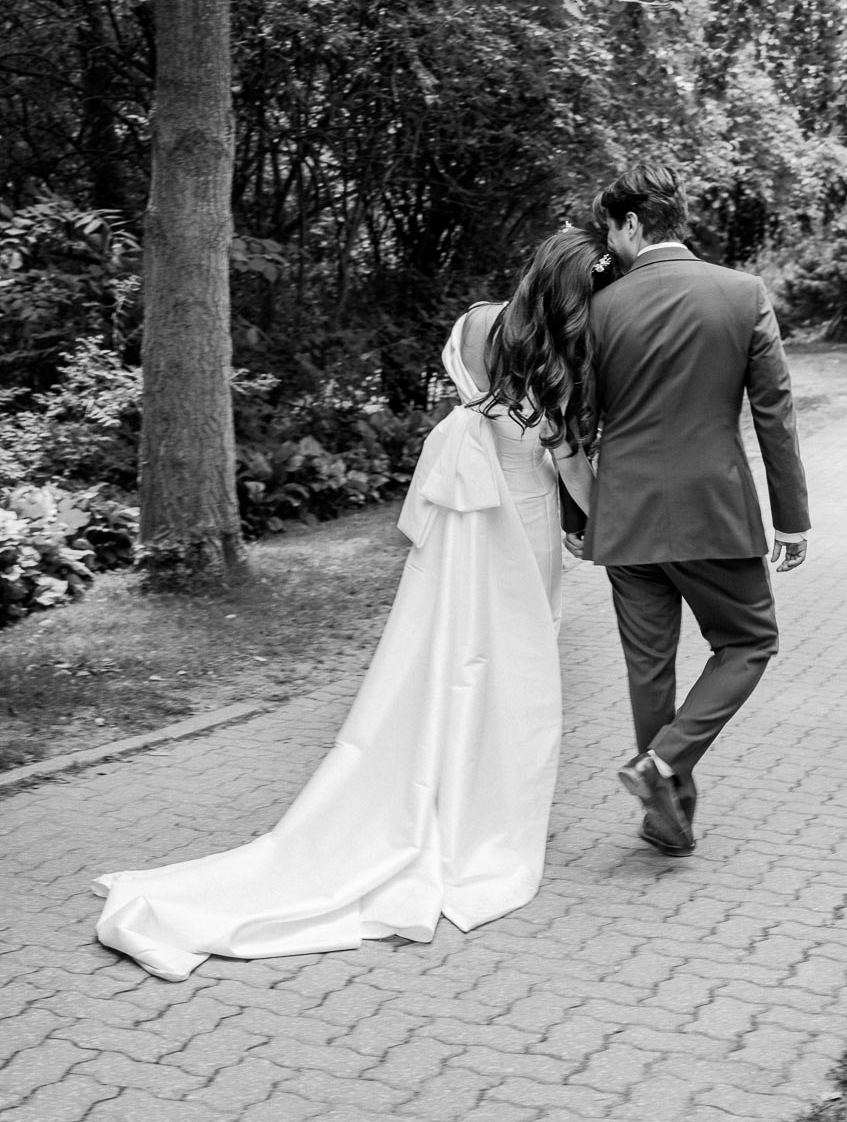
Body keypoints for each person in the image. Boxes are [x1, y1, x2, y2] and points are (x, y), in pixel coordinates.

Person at [92, 229, 610, 981]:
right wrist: (599, 526)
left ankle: (423, 787)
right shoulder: (561, 357)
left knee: (440, 654)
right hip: (518, 524)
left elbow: (475, 410)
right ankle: (476, 815)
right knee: (511, 671)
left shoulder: (476, 323)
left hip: (462, 528)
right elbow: (565, 461)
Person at [563, 163, 810, 858]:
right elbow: (775, 414)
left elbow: (577, 424)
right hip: (713, 513)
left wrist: (580, 521)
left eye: (610, 229)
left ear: (635, 224)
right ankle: (660, 770)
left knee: (651, 672)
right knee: (749, 641)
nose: (608, 246)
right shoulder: (742, 293)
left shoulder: (601, 308)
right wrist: (791, 516)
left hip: (627, 517)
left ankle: (666, 807)